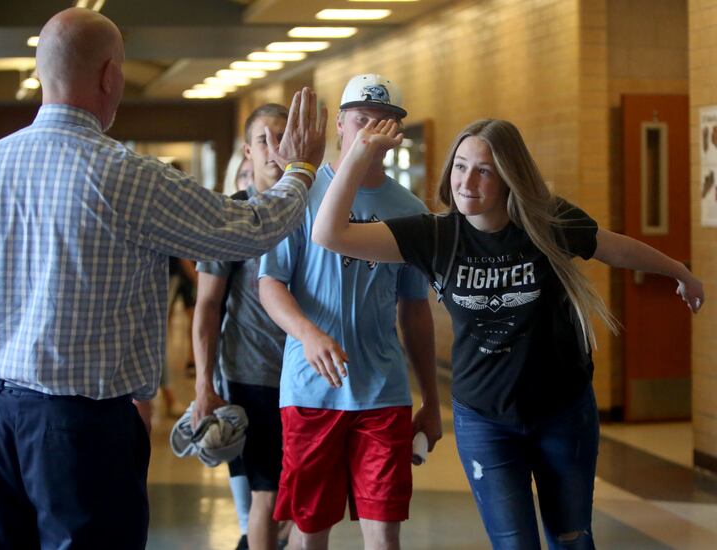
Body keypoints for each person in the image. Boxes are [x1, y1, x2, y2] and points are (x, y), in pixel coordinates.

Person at [0, 7, 326, 549]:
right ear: (110, 76)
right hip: (80, 430)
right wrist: (303, 170)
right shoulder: (125, 175)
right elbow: (248, 230)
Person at [311, 117, 706, 549]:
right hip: (484, 418)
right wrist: (358, 156)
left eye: (483, 170)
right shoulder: (434, 235)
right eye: (460, 166)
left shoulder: (548, 223)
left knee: (572, 539)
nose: (466, 181)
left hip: (562, 410)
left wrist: (678, 271)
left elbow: (615, 248)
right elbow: (328, 234)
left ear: (509, 177)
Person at [258, 74, 442, 550]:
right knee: (310, 529)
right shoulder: (300, 194)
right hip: (310, 391)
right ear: (339, 124)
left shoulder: (409, 210)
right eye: (362, 120)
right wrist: (307, 334)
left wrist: (432, 400)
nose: (372, 132)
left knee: (383, 534)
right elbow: (271, 284)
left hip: (382, 390)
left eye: (384, 122)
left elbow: (415, 308)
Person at [192, 103, 292, 550]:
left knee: (300, 499)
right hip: (250, 376)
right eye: (262, 141)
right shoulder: (231, 216)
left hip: (310, 378)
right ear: (247, 153)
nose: (273, 150)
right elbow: (207, 306)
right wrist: (203, 387)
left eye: (282, 138)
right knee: (265, 495)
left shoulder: (319, 209)